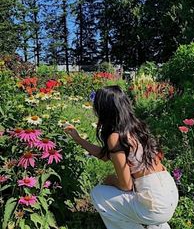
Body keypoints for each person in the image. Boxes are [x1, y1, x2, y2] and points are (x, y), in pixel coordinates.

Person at [64, 85, 178, 229]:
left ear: (105, 110)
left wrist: (110, 180)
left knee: (98, 194)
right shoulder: (136, 128)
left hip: (155, 205)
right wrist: (78, 139)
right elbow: (105, 156)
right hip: (169, 193)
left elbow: (126, 185)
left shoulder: (115, 137)